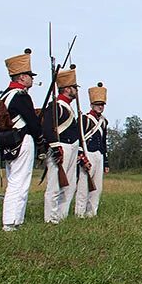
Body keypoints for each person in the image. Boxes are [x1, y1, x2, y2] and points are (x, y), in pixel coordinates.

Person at [0, 48, 47, 232]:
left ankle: (15, 220)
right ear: (21, 77)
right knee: (19, 181)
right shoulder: (20, 96)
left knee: (15, 180)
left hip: (10, 141)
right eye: (29, 75)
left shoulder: (5, 95)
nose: (31, 78)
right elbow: (33, 123)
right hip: (22, 139)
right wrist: (40, 137)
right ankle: (11, 222)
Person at [42, 65, 82, 223]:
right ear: (66, 89)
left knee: (70, 185)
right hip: (61, 147)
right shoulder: (55, 106)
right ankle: (50, 219)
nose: (76, 90)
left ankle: (61, 216)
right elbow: (47, 129)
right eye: (73, 87)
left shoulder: (68, 107)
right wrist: (55, 146)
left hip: (71, 147)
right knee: (54, 185)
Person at [75, 81, 108, 218]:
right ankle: (79, 213)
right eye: (98, 104)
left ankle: (92, 213)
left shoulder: (104, 121)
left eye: (102, 105)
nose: (100, 107)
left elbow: (104, 142)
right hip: (88, 154)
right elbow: (79, 139)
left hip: (99, 155)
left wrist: (106, 162)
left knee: (97, 188)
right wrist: (82, 158)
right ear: (92, 105)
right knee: (83, 187)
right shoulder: (84, 119)